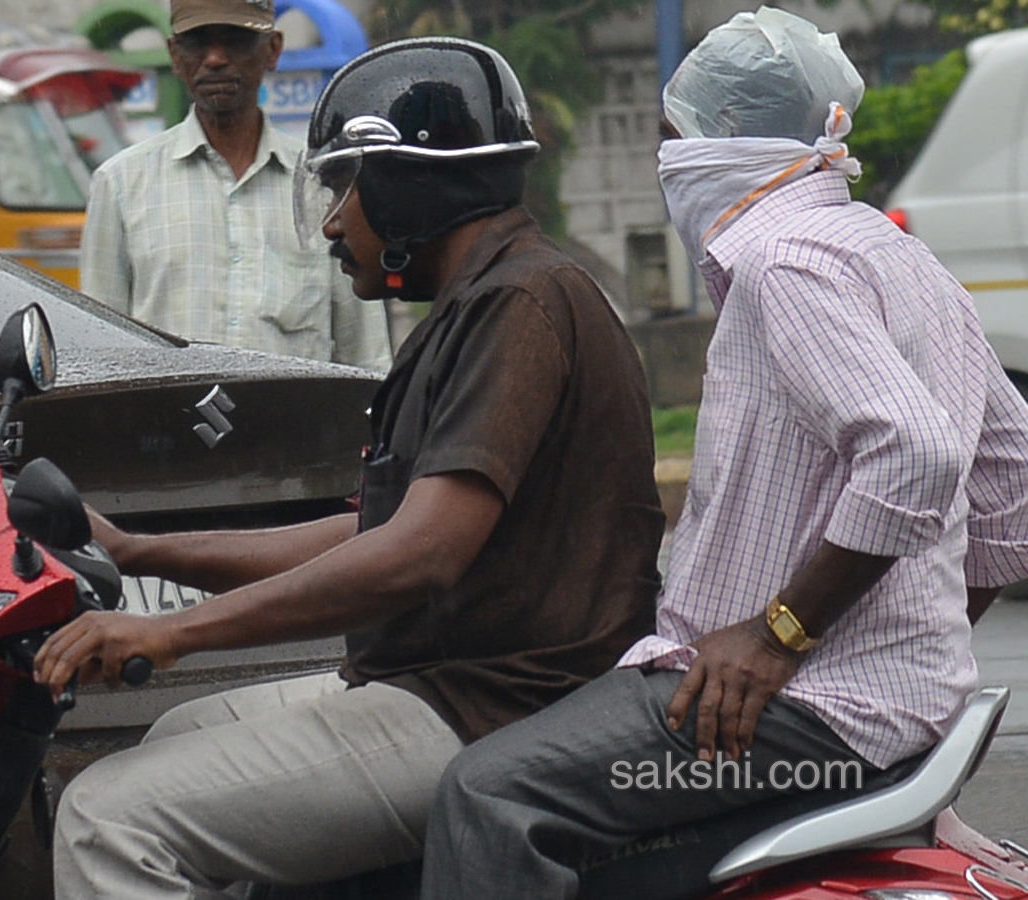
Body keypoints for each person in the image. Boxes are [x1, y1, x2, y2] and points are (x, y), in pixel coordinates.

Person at [36, 36, 666, 898]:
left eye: (345, 189)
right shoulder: (481, 302)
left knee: (108, 817)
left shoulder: (520, 306)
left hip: (493, 708)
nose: (332, 222)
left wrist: (171, 631)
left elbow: (417, 555)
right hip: (444, 685)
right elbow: (375, 528)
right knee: (176, 735)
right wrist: (141, 550)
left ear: (410, 185)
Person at [419, 8, 1028, 899]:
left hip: (803, 718)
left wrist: (784, 635)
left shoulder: (786, 264)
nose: (666, 161)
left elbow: (916, 452)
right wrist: (906, 639)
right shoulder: (895, 253)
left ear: (728, 139)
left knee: (487, 794)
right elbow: (1010, 480)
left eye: (675, 138)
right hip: (891, 710)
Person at [79, 0, 391, 369]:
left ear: (273, 49)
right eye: (197, 42)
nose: (215, 59)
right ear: (174, 56)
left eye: (235, 40)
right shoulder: (120, 184)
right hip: (163, 425)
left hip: (295, 424)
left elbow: (366, 356)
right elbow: (99, 351)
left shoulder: (325, 183)